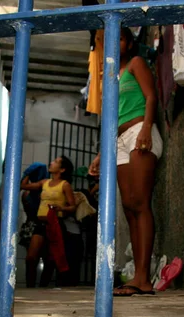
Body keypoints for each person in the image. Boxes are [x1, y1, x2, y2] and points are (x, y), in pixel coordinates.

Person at [89, 28, 163, 296]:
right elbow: (111, 118)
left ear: (130, 43)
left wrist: (146, 128)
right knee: (129, 207)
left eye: (119, 38)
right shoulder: (109, 78)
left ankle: (144, 279)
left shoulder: (136, 63)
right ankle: (137, 278)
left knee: (141, 204)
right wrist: (101, 153)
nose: (114, 43)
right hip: (118, 141)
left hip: (139, 134)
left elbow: (151, 96)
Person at [21, 156, 77, 287]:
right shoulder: (44, 182)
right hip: (40, 223)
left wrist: (61, 208)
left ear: (62, 169)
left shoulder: (65, 185)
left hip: (56, 224)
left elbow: (73, 206)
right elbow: (23, 186)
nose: (51, 163)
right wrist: (28, 173)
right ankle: (30, 287)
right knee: (31, 258)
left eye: (56, 162)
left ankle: (43, 287)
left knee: (50, 260)